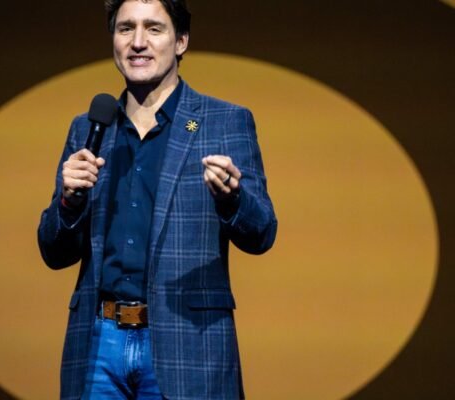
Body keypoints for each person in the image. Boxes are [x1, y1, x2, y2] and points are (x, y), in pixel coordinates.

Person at [37, 0, 277, 398]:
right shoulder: (89, 129)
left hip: (187, 343)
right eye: (125, 28)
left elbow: (262, 233)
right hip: (98, 344)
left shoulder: (224, 121)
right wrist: (69, 203)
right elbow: (53, 252)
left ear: (181, 41)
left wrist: (232, 200)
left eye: (153, 28)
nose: (138, 42)